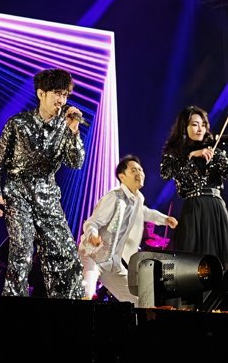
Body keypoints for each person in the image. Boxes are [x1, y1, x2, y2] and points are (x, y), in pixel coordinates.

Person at [0, 67, 86, 299]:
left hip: (47, 195)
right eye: (57, 93)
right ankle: (15, 306)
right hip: (18, 192)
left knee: (65, 252)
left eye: (65, 95)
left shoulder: (65, 126)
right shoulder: (18, 123)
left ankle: (67, 305)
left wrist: (73, 132)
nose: (61, 100)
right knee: (22, 250)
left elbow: (76, 162)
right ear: (41, 94)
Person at [78, 154, 178, 305]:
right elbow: (92, 222)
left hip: (112, 263)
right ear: (122, 176)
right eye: (133, 170)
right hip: (92, 257)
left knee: (139, 301)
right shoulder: (114, 197)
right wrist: (93, 236)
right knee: (86, 295)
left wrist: (165, 219)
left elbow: (145, 212)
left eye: (140, 170)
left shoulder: (138, 199)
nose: (139, 173)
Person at [160, 105, 228, 269]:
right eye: (195, 124)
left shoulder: (214, 151)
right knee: (194, 262)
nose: (200, 129)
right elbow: (166, 172)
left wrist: (219, 156)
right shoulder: (176, 153)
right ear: (185, 127)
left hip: (216, 207)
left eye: (203, 125)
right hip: (194, 208)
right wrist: (191, 155)